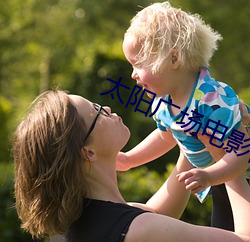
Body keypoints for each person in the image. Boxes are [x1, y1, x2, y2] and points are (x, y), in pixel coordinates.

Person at [13, 90, 250, 242]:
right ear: (88, 152)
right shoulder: (138, 230)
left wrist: (189, 137)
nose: (106, 108)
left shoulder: (73, 226)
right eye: (97, 112)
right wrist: (228, 152)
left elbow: (156, 213)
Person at [118, 1, 250, 231]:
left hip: (238, 177)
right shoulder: (163, 101)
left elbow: (241, 151)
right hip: (219, 180)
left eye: (138, 64)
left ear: (173, 59)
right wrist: (130, 159)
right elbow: (166, 137)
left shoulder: (211, 99)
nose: (133, 75)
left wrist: (209, 175)